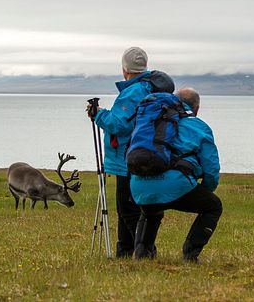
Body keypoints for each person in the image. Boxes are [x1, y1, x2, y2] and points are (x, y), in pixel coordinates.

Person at [88, 47, 174, 258]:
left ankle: (143, 251)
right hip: (146, 153)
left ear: (125, 68)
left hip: (128, 157)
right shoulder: (151, 88)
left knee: (128, 209)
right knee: (130, 207)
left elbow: (118, 125)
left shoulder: (134, 91)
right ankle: (125, 250)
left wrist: (98, 114)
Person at [130, 87, 222, 262]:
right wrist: (205, 190)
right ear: (197, 108)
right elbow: (211, 168)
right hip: (177, 184)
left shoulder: (151, 122)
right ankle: (190, 254)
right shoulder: (199, 126)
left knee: (150, 210)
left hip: (139, 185)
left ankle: (142, 254)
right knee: (213, 206)